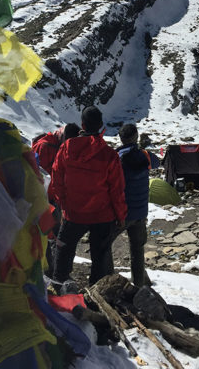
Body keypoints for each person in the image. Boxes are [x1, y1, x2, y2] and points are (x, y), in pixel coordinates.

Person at [47, 109, 124, 293]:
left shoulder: (66, 148)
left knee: (64, 251)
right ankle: (95, 295)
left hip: (73, 213)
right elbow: (117, 191)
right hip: (102, 215)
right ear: (101, 126)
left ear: (82, 125)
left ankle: (59, 288)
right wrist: (120, 215)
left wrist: (64, 204)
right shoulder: (109, 155)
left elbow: (56, 179)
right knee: (100, 257)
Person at [117, 123, 160, 289]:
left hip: (123, 211)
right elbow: (157, 162)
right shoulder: (145, 155)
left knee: (104, 244)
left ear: (121, 138)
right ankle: (139, 285)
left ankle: (108, 278)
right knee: (137, 249)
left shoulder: (117, 157)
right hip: (141, 211)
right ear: (136, 136)